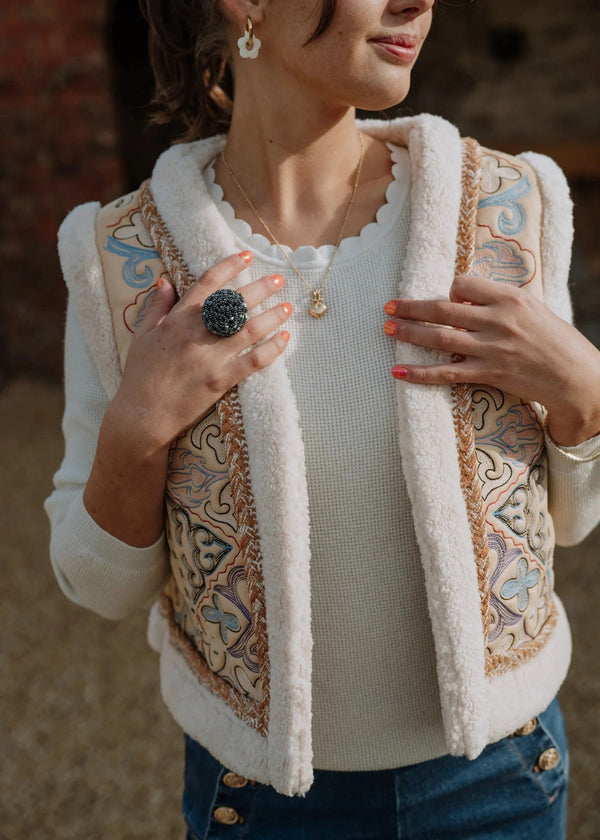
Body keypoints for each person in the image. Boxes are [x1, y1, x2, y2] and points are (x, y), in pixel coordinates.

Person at [45, 1, 600, 837]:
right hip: (260, 805)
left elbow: (568, 522)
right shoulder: (122, 257)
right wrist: (137, 430)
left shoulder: (510, 205)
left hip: (501, 783)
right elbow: (100, 586)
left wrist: (585, 391)